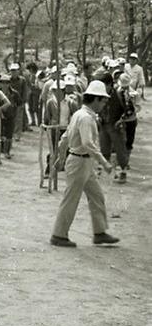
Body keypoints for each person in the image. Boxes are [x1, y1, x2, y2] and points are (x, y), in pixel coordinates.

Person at [50, 80, 120, 247]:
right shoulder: (86, 118)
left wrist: (60, 158)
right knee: (71, 199)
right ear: (95, 99)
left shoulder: (79, 114)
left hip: (82, 162)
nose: (104, 104)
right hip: (79, 161)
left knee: (97, 196)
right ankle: (58, 235)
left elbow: (64, 138)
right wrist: (104, 162)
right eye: (103, 101)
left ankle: (100, 232)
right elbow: (88, 143)